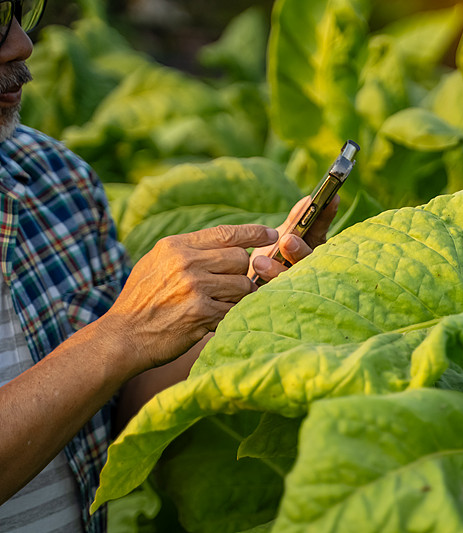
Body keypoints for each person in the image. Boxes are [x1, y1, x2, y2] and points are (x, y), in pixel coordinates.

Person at [0, 2, 338, 531]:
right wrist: (122, 332)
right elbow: (112, 347)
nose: (21, 44)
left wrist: (235, 305)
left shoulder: (55, 178)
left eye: (23, 11)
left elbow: (110, 406)